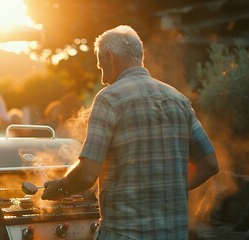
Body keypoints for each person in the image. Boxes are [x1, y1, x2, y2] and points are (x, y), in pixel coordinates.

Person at [41, 25, 219, 239]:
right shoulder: (178, 99)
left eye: (101, 67)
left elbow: (88, 173)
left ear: (110, 57)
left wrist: (61, 186)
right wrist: (169, 193)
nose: (103, 79)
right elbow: (209, 164)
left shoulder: (109, 99)